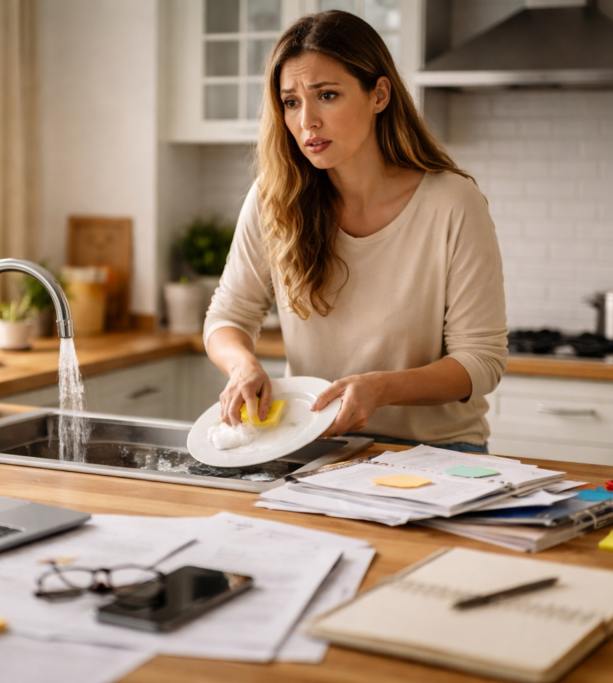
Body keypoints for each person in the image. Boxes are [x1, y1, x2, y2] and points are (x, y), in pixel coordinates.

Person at [204, 10, 508, 453]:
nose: (307, 120)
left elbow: (481, 362)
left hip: (434, 454)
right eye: (291, 102)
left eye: (327, 95)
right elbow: (227, 317)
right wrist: (242, 365)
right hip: (312, 446)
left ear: (379, 95)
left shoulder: (452, 202)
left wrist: (381, 389)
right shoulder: (275, 199)